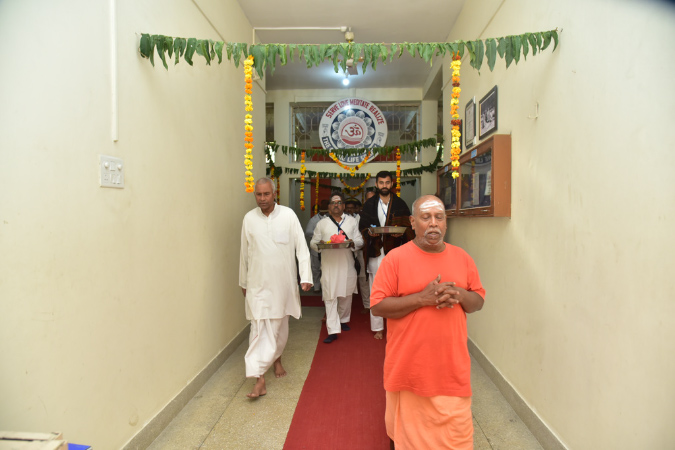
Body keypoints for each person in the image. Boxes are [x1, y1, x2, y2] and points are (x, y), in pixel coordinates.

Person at [370, 195, 485, 449]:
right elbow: (378, 306)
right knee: (405, 440)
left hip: (452, 370)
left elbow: (477, 302)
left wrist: (459, 294)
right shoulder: (395, 259)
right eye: (426, 217)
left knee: (457, 440)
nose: (433, 223)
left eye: (439, 217)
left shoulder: (463, 258)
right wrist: (422, 298)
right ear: (413, 222)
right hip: (409, 370)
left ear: (446, 223)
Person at [239, 177, 313, 398]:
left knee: (278, 329)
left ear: (274, 194)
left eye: (266, 194)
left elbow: (301, 247)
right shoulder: (249, 219)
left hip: (283, 284)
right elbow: (244, 253)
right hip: (257, 284)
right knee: (258, 330)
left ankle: (276, 360)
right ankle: (259, 379)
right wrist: (244, 281)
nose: (262, 198)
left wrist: (305, 276)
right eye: (258, 194)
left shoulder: (288, 215)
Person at [359, 171, 414, 339]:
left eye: (387, 182)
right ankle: (378, 328)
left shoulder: (400, 203)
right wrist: (369, 232)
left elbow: (408, 227)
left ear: (392, 184)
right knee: (375, 290)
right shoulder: (369, 204)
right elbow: (362, 226)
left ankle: (394, 325)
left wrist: (401, 233)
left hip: (394, 252)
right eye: (381, 182)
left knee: (396, 290)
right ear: (376, 184)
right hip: (375, 252)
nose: (384, 186)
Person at [310, 192, 363, 343]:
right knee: (330, 297)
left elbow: (360, 241)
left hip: (347, 265)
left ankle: (344, 320)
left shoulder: (352, 222)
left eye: (339, 203)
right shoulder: (322, 223)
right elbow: (313, 242)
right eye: (333, 203)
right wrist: (320, 244)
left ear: (343, 206)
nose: (336, 205)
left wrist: (352, 243)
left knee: (346, 294)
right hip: (329, 266)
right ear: (329, 207)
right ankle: (332, 329)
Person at [345, 199, 371, 317]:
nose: (350, 210)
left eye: (352, 208)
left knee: (364, 278)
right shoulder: (343, 219)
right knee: (348, 279)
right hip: (347, 253)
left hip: (363, 252)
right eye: (348, 208)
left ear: (357, 208)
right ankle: (345, 306)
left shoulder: (362, 217)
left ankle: (368, 305)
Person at [305, 199, 329, 293]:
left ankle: (325, 286)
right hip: (316, 247)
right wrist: (318, 234)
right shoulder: (314, 219)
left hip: (328, 248)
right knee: (315, 268)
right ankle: (316, 286)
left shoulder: (330, 218)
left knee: (326, 268)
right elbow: (307, 232)